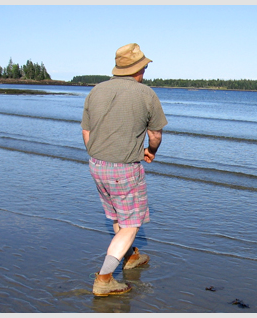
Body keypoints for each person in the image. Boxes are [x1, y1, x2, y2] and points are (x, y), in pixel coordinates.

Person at [81, 43, 168, 296]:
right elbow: (155, 134)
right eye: (145, 67)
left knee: (119, 216)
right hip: (124, 169)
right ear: (139, 69)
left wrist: (99, 155)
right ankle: (105, 278)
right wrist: (151, 152)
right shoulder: (146, 94)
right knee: (131, 224)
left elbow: (86, 131)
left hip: (97, 165)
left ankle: (130, 257)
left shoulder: (96, 91)